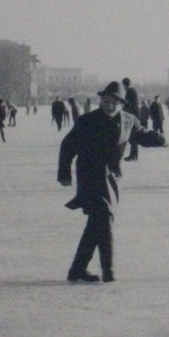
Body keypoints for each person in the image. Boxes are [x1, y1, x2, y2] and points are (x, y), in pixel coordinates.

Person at [57, 80, 136, 283]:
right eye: (106, 101)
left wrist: (158, 138)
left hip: (111, 179)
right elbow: (68, 146)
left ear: (121, 104)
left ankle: (77, 270)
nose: (109, 105)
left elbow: (140, 135)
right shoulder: (87, 121)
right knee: (105, 217)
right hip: (90, 177)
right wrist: (64, 174)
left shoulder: (128, 120)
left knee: (96, 224)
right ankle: (108, 272)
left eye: (113, 103)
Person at [122, 77, 141, 161]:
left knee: (132, 136)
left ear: (125, 84)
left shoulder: (130, 91)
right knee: (133, 136)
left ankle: (133, 155)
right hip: (134, 115)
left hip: (132, 116)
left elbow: (128, 104)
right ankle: (133, 155)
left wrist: (124, 112)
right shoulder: (132, 91)